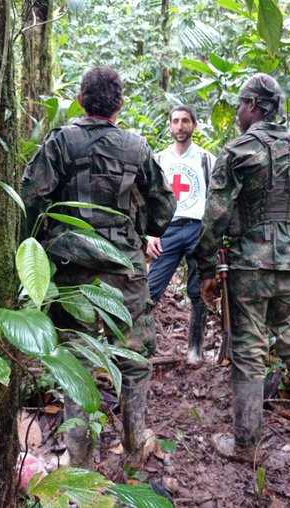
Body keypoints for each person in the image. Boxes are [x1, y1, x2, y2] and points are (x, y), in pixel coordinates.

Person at [21, 67, 176, 469]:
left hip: (70, 267)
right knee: (135, 355)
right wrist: (142, 229)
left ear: (80, 100)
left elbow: (32, 200)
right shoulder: (137, 148)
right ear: (120, 104)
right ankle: (134, 440)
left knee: (76, 362)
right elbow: (163, 208)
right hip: (122, 266)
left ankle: (81, 462)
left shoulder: (60, 142)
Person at [194, 73, 290, 460]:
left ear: (255, 106)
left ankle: (245, 445)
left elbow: (215, 213)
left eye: (240, 104)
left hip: (249, 266)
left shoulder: (239, 150)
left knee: (248, 349)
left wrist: (206, 267)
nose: (238, 111)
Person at [146, 105, 216, 364]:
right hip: (169, 229)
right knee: (150, 289)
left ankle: (194, 350)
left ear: (194, 125)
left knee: (198, 291)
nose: (180, 126)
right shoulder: (160, 159)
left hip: (198, 229)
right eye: (175, 121)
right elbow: (147, 198)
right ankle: (143, 346)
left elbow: (217, 201)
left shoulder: (207, 160)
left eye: (185, 121)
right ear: (170, 125)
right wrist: (149, 235)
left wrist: (214, 238)